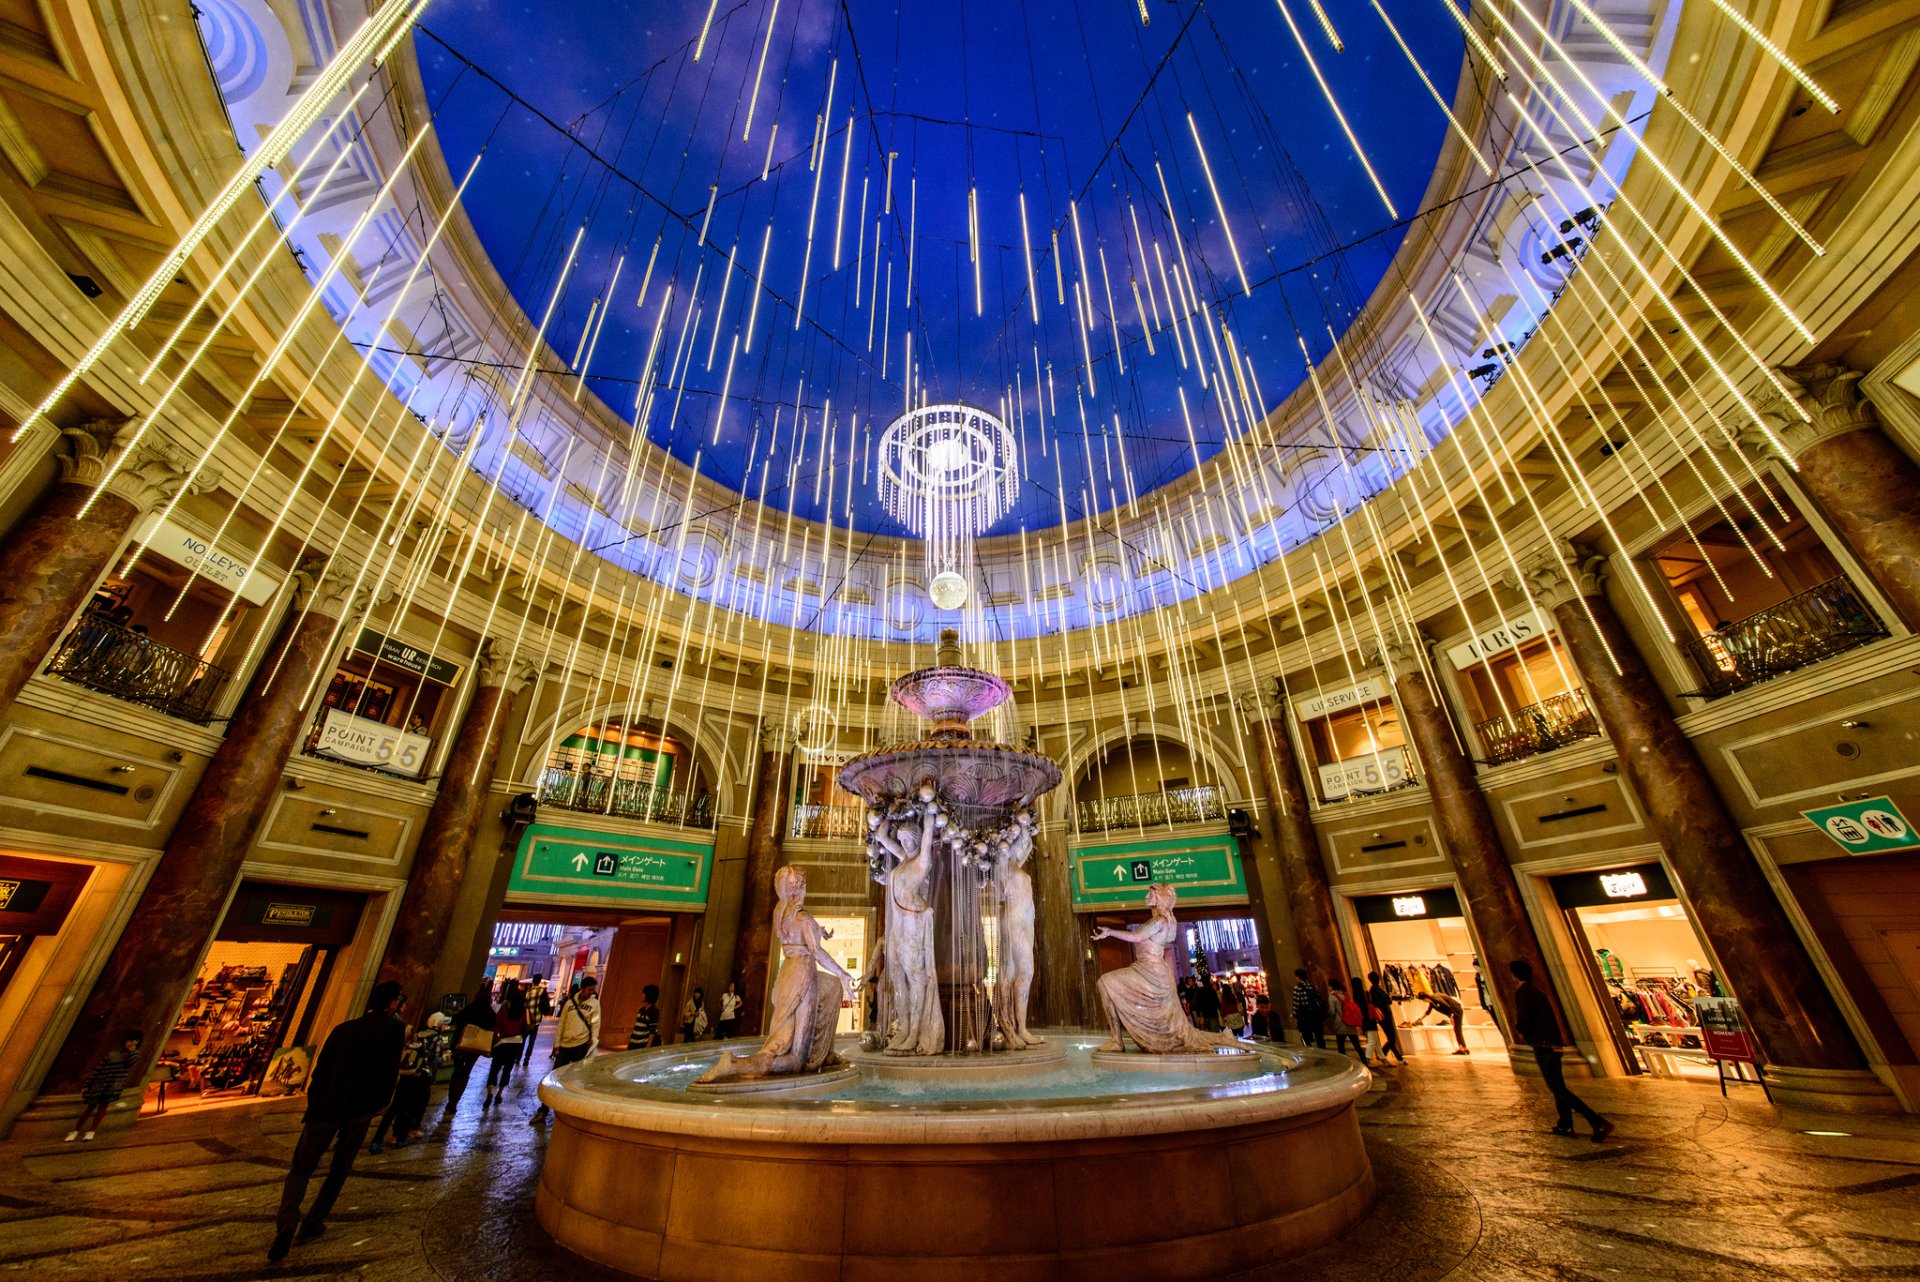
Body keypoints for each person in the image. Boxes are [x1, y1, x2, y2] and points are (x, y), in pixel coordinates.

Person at [269, 981, 406, 1262]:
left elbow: (320, 1070)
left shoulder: (343, 1029)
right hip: (359, 1109)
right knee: (339, 1168)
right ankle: (313, 1222)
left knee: (300, 1169)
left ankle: (287, 1222)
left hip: (325, 1108)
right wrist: (383, 1101)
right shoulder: (393, 1029)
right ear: (392, 1003)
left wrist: (315, 1101)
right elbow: (389, 1069)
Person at [1090, 884, 1249, 1055]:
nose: (1146, 897)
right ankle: (1222, 1037)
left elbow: (1136, 937)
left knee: (1105, 982)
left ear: (1160, 897)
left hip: (1151, 972)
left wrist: (1109, 932)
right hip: (1150, 970)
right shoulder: (1166, 919)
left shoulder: (1160, 920)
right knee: (1178, 1030)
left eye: (1150, 894)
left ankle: (1116, 1041)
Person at [1509, 959, 1612, 1142]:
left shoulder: (1523, 993)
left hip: (1543, 1045)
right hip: (1554, 1044)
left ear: (1514, 975)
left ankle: (1596, 1121)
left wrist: (1520, 1029)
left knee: (1558, 1088)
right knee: (1558, 1087)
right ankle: (1565, 1124)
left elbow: (1525, 1019)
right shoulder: (1537, 992)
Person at [371, 1013, 448, 1152]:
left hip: (407, 1075)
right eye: (444, 1023)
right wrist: (444, 1058)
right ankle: (400, 1138)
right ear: (438, 1024)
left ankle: (377, 1139)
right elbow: (434, 1059)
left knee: (394, 1108)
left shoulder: (418, 1034)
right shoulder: (437, 1038)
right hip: (421, 1076)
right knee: (409, 1108)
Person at [530, 977, 600, 1125]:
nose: (592, 992)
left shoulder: (595, 1004)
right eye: (590, 989)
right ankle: (543, 1111)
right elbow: (561, 1024)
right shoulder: (569, 1003)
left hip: (581, 1046)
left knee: (576, 1079)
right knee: (554, 1078)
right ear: (582, 988)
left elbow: (596, 1025)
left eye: (593, 990)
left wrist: (593, 1042)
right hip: (565, 1046)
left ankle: (570, 1110)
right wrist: (556, 1044)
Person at [68, 1030, 142, 1142]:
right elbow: (98, 1070)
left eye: (134, 1041)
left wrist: (132, 1051)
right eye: (129, 1041)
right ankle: (75, 1130)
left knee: (102, 1107)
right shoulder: (112, 1054)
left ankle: (91, 1131)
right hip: (100, 1083)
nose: (131, 1043)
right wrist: (88, 1084)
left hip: (112, 1086)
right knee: (90, 1107)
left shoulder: (134, 1055)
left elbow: (130, 1064)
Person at [442, 984, 495, 1118]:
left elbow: (455, 1019)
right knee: (466, 1073)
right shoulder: (490, 1012)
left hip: (461, 1045)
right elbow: (493, 1028)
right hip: (475, 1048)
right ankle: (455, 1100)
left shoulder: (469, 1008)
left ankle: (451, 1101)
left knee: (457, 1072)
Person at [483, 980, 527, 1109]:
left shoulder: (504, 1009)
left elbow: (497, 1024)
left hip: (502, 1042)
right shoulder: (522, 1012)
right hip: (516, 1043)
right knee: (508, 1069)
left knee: (495, 1067)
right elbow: (524, 1028)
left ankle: (490, 1091)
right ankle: (500, 1093)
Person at [1368, 971, 1408, 1065]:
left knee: (1391, 1038)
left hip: (1381, 1016)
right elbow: (1388, 1000)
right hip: (1384, 1015)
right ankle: (1384, 1054)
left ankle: (1395, 1057)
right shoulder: (1377, 990)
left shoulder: (1372, 990)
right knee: (1392, 1038)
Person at [1415, 990, 1471, 1055]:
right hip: (1456, 1011)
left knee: (1457, 1030)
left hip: (1456, 1011)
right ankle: (1463, 1047)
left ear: (1425, 999)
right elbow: (1428, 1012)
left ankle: (1463, 1048)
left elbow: (1447, 1006)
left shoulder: (1436, 998)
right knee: (1457, 1030)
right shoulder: (1432, 1002)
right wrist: (1420, 1019)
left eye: (1423, 1000)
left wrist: (1451, 1017)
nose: (1424, 1002)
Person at [1351, 977, 1386, 1067]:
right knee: (1372, 1040)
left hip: (1363, 1020)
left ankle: (1383, 1058)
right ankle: (1367, 1059)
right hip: (1370, 1019)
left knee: (1375, 1040)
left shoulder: (1355, 996)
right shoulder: (1365, 994)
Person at [1328, 979, 1366, 1058]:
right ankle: (1365, 1062)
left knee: (1341, 1047)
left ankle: (1345, 1064)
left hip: (1340, 1024)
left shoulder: (1332, 997)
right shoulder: (1345, 995)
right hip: (1350, 1023)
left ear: (1331, 986)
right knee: (1357, 1046)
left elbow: (1332, 1012)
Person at [1291, 968, 1327, 1049]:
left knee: (1306, 1037)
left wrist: (1295, 1016)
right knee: (1319, 1037)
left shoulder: (1298, 988)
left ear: (1298, 977)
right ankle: (1323, 1052)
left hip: (1304, 1017)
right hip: (1316, 1016)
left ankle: (1311, 1052)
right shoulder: (1312, 987)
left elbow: (1296, 1003)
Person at [631, 984, 662, 1049]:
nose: (642, 995)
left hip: (642, 1044)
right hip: (634, 1042)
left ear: (648, 996)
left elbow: (652, 1031)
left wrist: (648, 1046)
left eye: (644, 993)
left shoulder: (654, 1011)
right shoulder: (641, 1010)